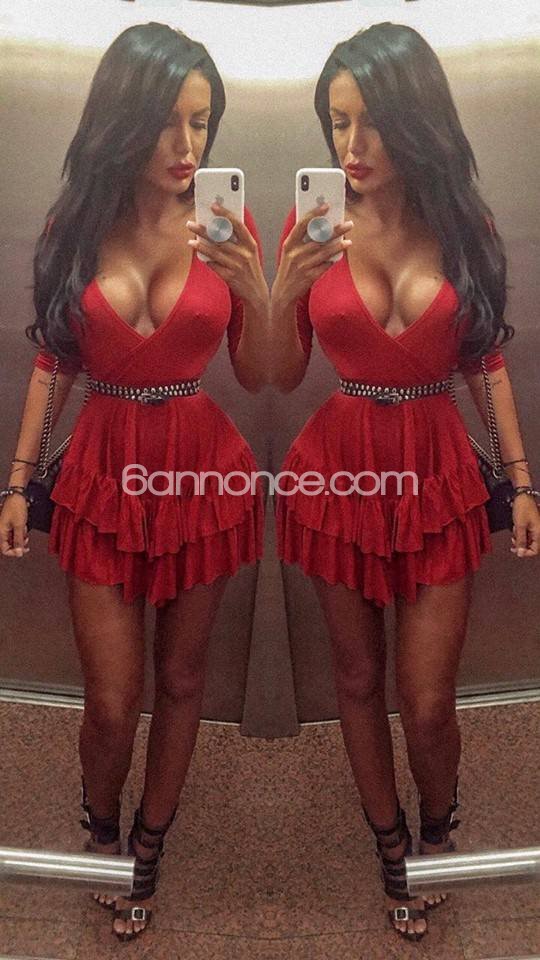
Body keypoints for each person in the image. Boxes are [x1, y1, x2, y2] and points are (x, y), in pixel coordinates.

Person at [270, 22, 539, 942]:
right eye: (339, 121)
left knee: (427, 700)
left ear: (417, 118)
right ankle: (392, 845)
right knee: (356, 677)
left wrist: (522, 481)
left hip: (436, 474)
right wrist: (282, 285)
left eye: (375, 120)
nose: (354, 145)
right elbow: (276, 373)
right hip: (336, 471)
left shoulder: (462, 225)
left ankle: (438, 825)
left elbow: (486, 361)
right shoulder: (310, 227)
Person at [0, 23, 269, 942]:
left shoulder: (228, 228)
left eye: (201, 121)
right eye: (164, 120)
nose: (186, 145)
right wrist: (17, 481)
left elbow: (262, 373)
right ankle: (100, 824)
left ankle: (147, 844)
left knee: (183, 678)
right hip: (103, 473)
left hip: (203, 471)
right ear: (122, 119)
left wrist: (256, 285)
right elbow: (54, 360)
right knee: (112, 699)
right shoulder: (77, 226)